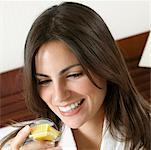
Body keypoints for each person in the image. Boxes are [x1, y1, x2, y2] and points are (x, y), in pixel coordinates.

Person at [0, 2, 150, 150]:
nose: (59, 97)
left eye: (74, 75)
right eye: (44, 81)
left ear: (104, 65)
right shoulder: (14, 146)